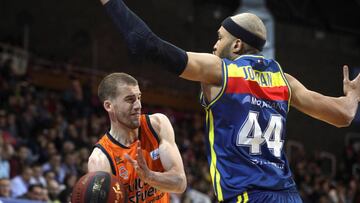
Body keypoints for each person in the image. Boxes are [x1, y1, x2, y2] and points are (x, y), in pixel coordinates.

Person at [98, 0, 360, 202]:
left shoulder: (221, 71)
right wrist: (353, 95)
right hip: (289, 195)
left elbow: (145, 43)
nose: (214, 45)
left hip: (247, 196)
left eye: (220, 37)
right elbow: (344, 116)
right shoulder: (285, 81)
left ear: (236, 46)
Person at [88, 73, 186, 203]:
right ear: (109, 106)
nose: (138, 105)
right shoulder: (100, 160)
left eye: (139, 97)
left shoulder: (157, 125)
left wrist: (149, 176)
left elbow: (180, 183)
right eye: (130, 99)